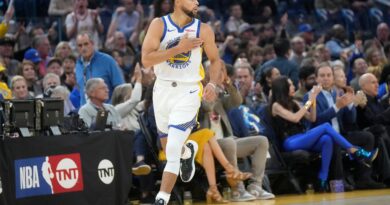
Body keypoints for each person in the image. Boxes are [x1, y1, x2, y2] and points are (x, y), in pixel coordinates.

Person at [141, 0, 221, 204]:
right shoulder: (159, 25)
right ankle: (188, 151)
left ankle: (162, 198)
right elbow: (146, 60)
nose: (197, 2)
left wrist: (212, 84)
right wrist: (179, 48)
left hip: (189, 91)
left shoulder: (203, 30)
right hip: (162, 90)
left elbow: (214, 60)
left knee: (173, 148)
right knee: (170, 147)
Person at [270, 76, 378, 191]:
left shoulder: (294, 103)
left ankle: (322, 179)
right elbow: (295, 118)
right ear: (283, 88)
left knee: (327, 139)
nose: (293, 87)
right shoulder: (276, 106)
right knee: (326, 127)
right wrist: (309, 101)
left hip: (301, 136)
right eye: (290, 85)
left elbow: (312, 118)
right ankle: (353, 149)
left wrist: (314, 100)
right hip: (289, 141)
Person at [75, 33, 125, 106]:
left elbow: (120, 88)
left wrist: (109, 107)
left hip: (106, 112)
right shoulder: (78, 65)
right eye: (80, 45)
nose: (83, 48)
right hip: (86, 114)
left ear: (92, 44)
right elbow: (82, 91)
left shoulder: (107, 61)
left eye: (86, 44)